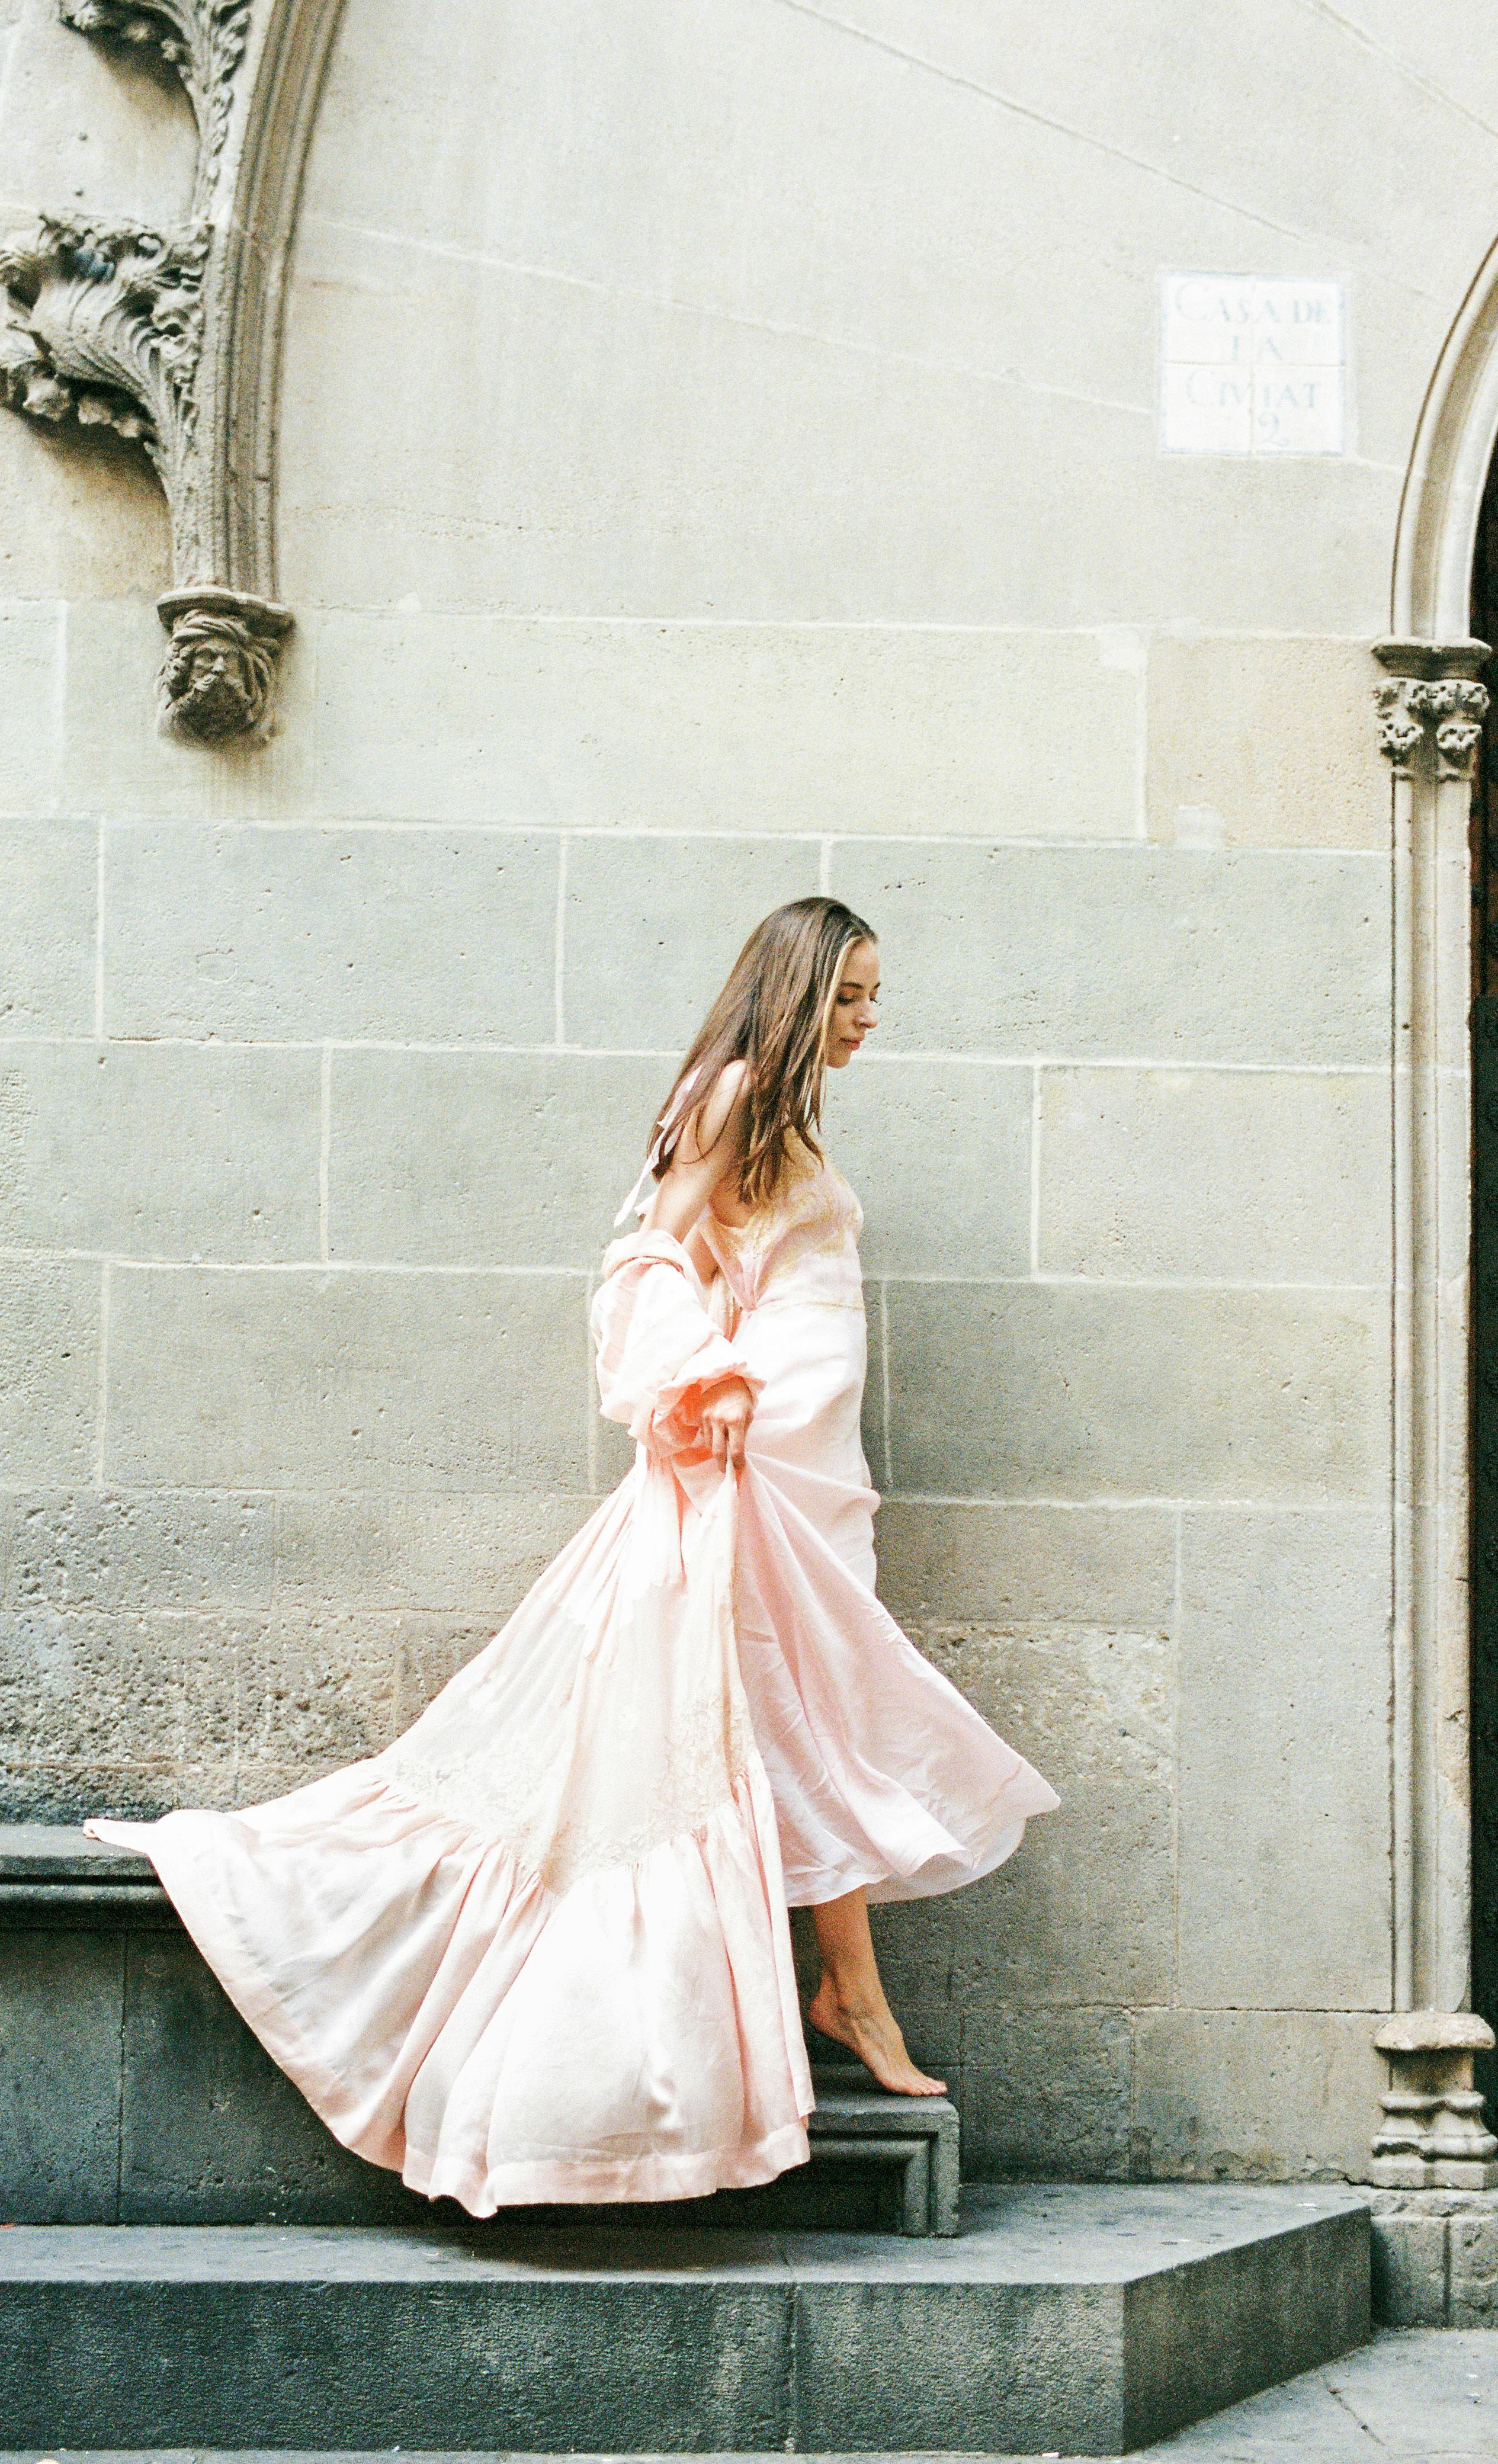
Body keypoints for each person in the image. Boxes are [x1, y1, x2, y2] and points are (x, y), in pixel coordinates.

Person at [87, 896, 1057, 2218]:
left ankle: (850, 1990)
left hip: (816, 1479)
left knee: (818, 1720)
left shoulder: (790, 1120)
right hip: (748, 1466)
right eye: (849, 997)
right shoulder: (722, 1097)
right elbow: (645, 1254)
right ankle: (852, 1999)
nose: (869, 1018)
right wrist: (693, 1373)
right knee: (781, 1716)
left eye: (873, 995)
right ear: (794, 995)